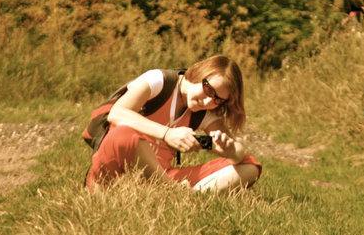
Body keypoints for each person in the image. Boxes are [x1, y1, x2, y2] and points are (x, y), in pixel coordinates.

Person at [85, 55, 261, 193]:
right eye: (208, 90)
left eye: (218, 99)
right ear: (198, 72)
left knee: (250, 166)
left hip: (161, 176)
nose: (208, 101)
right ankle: (172, 192)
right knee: (125, 134)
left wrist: (226, 149)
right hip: (117, 172)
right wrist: (167, 134)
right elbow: (117, 113)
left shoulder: (203, 113)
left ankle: (190, 196)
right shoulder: (159, 82)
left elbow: (238, 152)